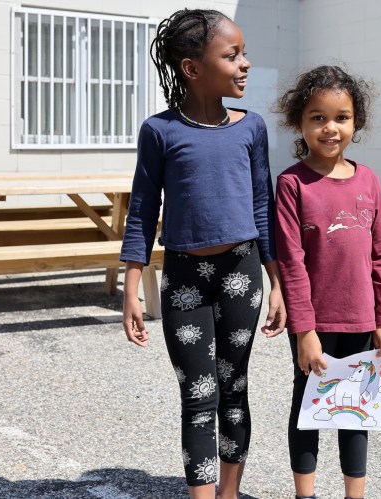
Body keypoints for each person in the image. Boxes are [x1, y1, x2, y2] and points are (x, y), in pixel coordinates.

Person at [119, 8, 286, 499]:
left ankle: (229, 494)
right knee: (198, 395)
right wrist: (131, 288)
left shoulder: (251, 128)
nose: (245, 63)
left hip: (242, 273)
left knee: (234, 389)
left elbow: (263, 207)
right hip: (184, 278)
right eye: (232, 55)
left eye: (244, 53)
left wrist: (278, 282)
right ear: (193, 68)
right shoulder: (160, 131)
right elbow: (142, 212)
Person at [273, 65, 381, 499]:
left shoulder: (370, 181)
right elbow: (291, 263)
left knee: (355, 412)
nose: (331, 128)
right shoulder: (292, 184)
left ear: (356, 121)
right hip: (315, 324)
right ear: (300, 122)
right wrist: (304, 330)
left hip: (362, 320)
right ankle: (304, 495)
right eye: (318, 117)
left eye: (341, 117)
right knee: (308, 410)